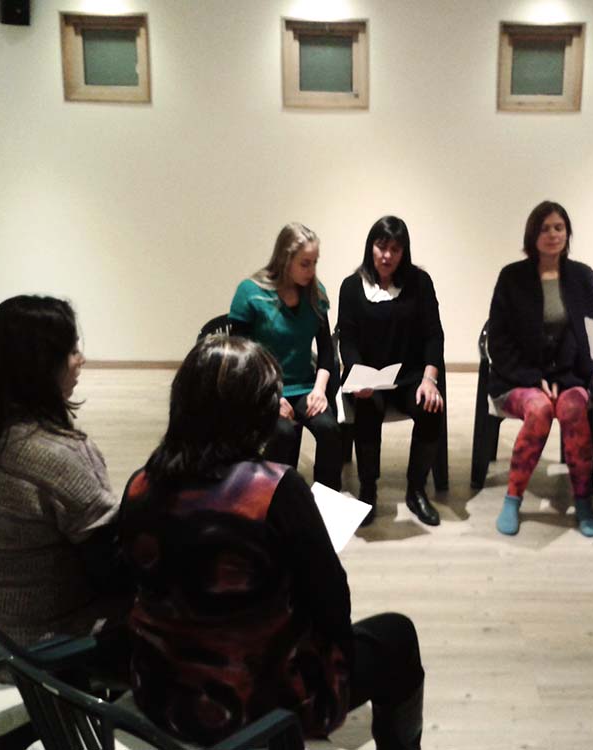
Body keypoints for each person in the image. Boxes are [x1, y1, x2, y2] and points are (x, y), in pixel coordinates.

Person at [119, 335, 425, 748]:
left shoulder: (140, 484)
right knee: (397, 636)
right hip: (254, 707)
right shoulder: (274, 489)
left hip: (160, 691)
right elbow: (331, 600)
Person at [0, 295, 129, 663]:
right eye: (72, 350)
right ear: (42, 366)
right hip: (27, 649)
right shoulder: (60, 456)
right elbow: (113, 572)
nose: (81, 359)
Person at [487, 200, 593, 537]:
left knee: (573, 409)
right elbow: (498, 342)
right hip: (516, 378)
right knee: (539, 410)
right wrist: (533, 378)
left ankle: (583, 500)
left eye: (559, 228)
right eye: (545, 228)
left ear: (567, 233)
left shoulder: (582, 276)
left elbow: (588, 334)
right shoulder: (511, 277)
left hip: (568, 376)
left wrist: (567, 377)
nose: (552, 235)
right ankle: (513, 498)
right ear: (532, 235)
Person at [337, 216, 445, 526]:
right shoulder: (352, 287)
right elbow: (348, 340)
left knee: (430, 408)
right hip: (367, 376)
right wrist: (359, 375)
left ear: (404, 252)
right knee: (368, 408)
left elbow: (434, 334)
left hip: (410, 376)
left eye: (395, 249)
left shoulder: (420, 283)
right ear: (370, 247)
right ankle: (368, 489)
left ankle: (416, 489)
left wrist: (429, 380)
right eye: (381, 247)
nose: (387, 256)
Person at [229, 222, 342, 490]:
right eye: (305, 263)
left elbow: (326, 350)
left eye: (315, 262)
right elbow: (239, 358)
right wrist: (271, 396)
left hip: (303, 386)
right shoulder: (251, 293)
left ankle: (326, 500)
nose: (311, 270)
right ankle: (274, 496)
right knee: (283, 433)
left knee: (329, 429)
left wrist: (319, 390)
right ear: (285, 259)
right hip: (261, 389)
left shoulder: (314, 293)